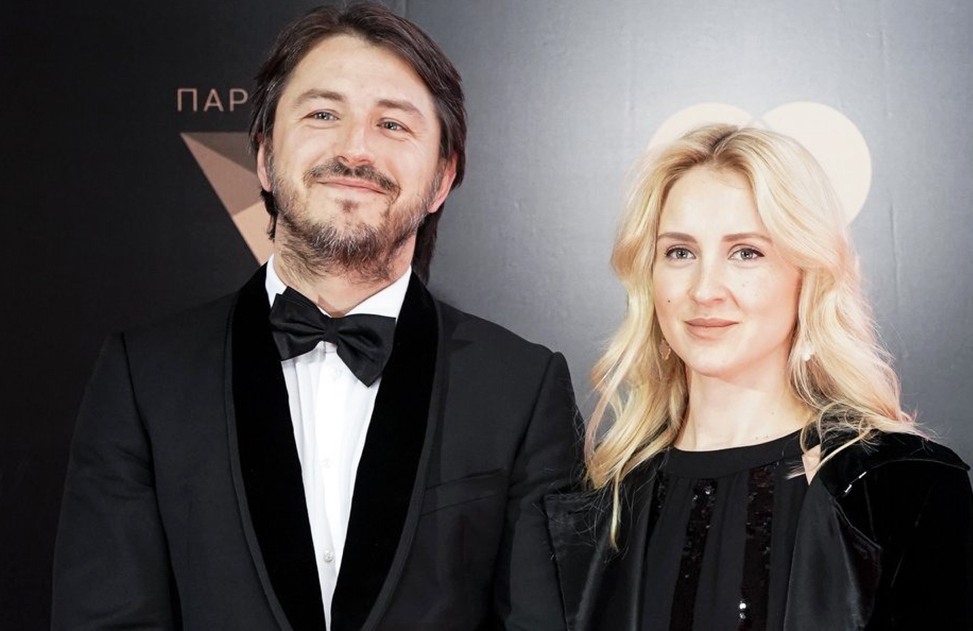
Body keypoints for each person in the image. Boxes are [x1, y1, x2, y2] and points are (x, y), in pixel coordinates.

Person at [52, 4, 579, 631]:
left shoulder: (522, 389)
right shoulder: (145, 378)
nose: (355, 149)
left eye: (392, 124)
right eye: (323, 114)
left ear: (443, 178)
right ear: (264, 156)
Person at [546, 124, 973, 631]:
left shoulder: (900, 486)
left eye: (746, 253)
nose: (705, 290)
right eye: (680, 252)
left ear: (808, 275)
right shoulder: (604, 501)